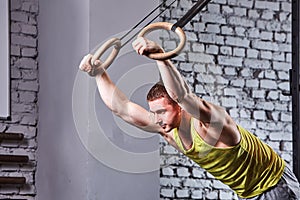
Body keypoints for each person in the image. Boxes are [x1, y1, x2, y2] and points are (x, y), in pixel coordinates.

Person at [79, 37, 300, 199]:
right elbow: (122, 109)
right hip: (250, 194)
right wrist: (99, 73)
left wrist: (160, 57)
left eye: (162, 111)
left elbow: (182, 95)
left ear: (179, 108)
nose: (157, 119)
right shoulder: (167, 129)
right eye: (154, 113)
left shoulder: (212, 124)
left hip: (275, 184)